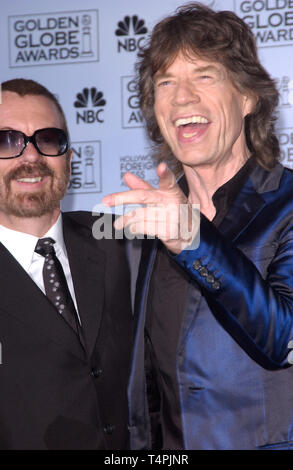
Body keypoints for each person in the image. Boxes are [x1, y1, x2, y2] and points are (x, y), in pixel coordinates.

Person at [103, 3, 293, 450]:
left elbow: (283, 340)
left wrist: (194, 240)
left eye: (204, 76)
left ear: (247, 97)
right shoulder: (142, 227)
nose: (181, 97)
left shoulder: (286, 205)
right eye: (166, 82)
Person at [0, 78, 132, 450]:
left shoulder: (118, 238)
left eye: (48, 139)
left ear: (69, 158)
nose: (31, 157)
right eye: (7, 141)